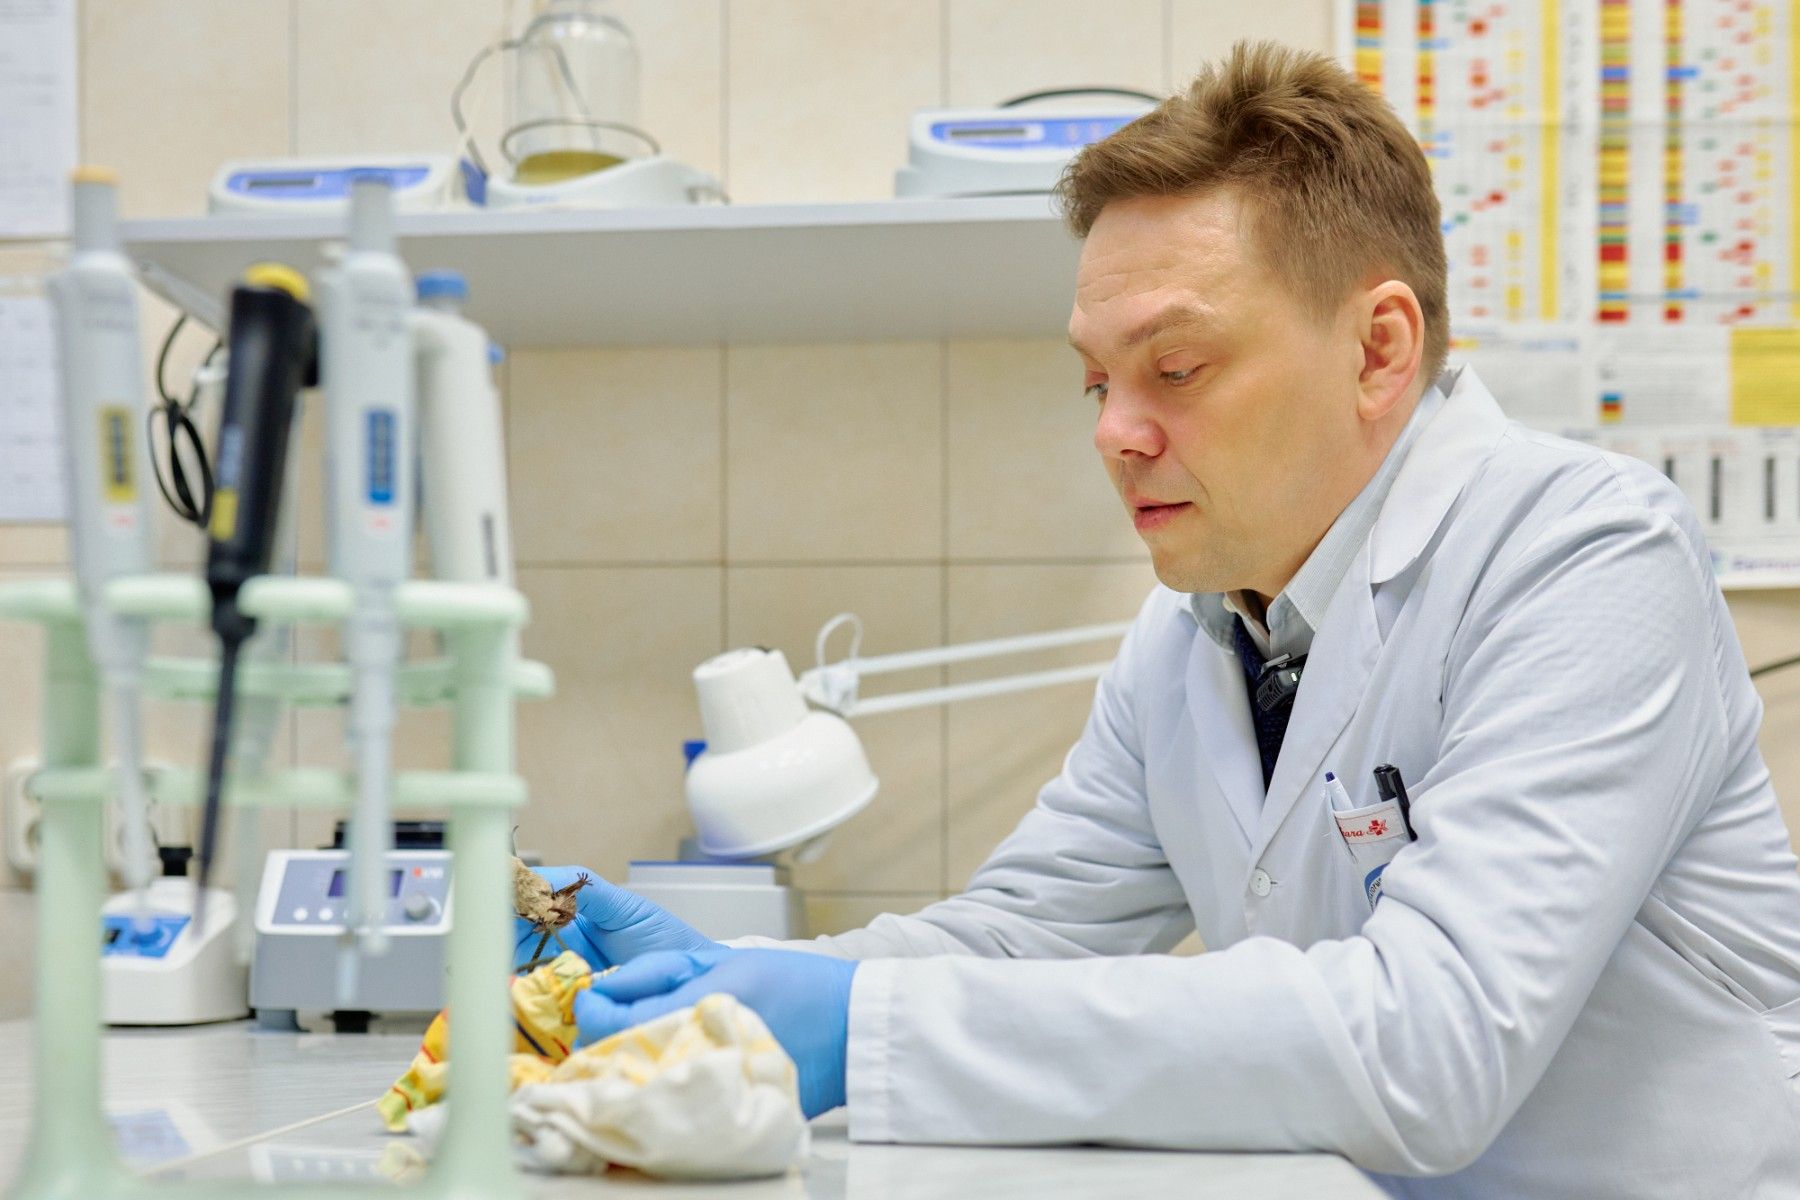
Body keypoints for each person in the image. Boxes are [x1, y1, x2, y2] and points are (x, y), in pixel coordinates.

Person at [516, 40, 1800, 1196]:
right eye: (1097, 383)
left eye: (1175, 369)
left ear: (1377, 350)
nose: (1116, 435)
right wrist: (724, 981)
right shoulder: (1195, 632)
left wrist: (856, 1029)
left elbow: (1430, 1043)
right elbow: (1024, 935)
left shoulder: (1585, 554)